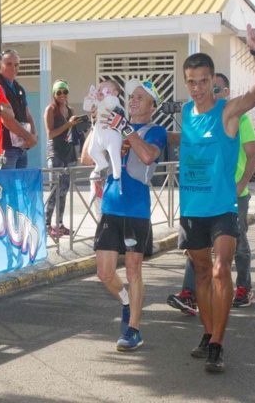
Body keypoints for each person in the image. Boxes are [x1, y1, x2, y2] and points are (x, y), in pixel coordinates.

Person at [178, 24, 255, 373]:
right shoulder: (187, 113)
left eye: (203, 81)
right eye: (191, 81)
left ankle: (218, 341)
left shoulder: (228, 112)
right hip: (191, 208)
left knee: (219, 270)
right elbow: (184, 140)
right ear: (186, 82)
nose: (198, 88)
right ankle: (207, 333)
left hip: (222, 207)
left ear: (212, 81)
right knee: (201, 271)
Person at [81, 78, 166, 351]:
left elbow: (148, 157)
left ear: (153, 105)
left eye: (140, 97)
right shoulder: (114, 123)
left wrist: (126, 128)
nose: (133, 101)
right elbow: (86, 158)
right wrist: (96, 122)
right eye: (131, 96)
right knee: (104, 274)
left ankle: (134, 330)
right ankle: (128, 304)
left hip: (136, 210)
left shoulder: (156, 130)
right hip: (110, 207)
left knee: (133, 270)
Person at [166, 73, 255, 318]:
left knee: (238, 244)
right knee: (198, 248)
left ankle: (244, 287)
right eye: (208, 86)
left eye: (216, 87)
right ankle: (190, 292)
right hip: (205, 195)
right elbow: (187, 140)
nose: (211, 92)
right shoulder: (196, 116)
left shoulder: (240, 118)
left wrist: (241, 184)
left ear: (226, 91)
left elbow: (252, 155)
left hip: (233, 193)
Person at [44, 80, 83, 238]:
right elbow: (50, 134)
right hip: (55, 153)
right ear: (54, 93)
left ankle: (59, 224)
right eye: (58, 92)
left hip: (69, 153)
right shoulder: (50, 110)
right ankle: (46, 223)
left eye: (64, 92)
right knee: (54, 190)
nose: (62, 95)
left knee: (64, 190)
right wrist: (68, 124)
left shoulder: (71, 110)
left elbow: (73, 131)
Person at [0, 49, 39, 170]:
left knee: (21, 186)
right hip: (6, 148)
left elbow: (27, 114)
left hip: (22, 148)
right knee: (7, 185)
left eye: (16, 65)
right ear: (1, 66)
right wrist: (29, 137)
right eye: (9, 64)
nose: (13, 68)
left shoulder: (19, 88)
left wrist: (34, 136)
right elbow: (7, 120)